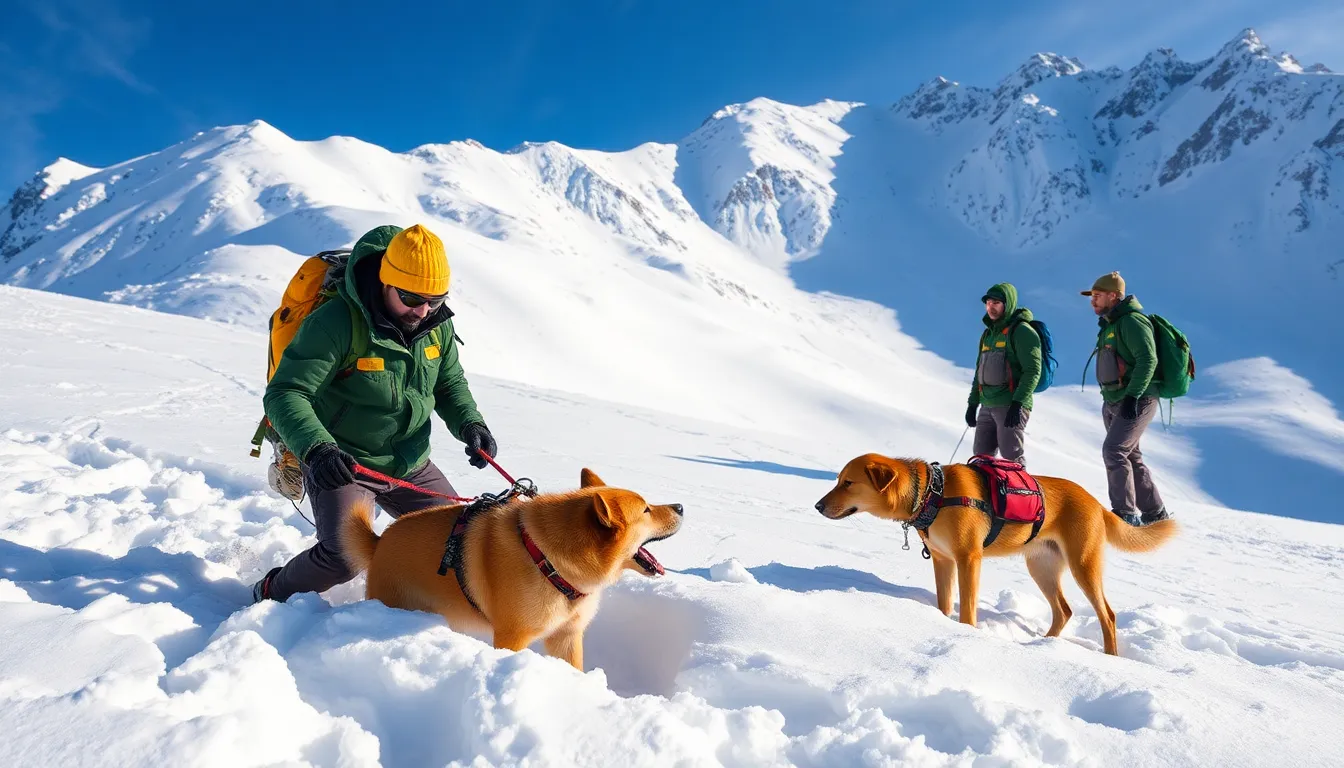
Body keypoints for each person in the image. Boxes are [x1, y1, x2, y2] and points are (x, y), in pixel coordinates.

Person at [251, 223, 498, 602]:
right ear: (386, 281)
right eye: (411, 298)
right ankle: (271, 590)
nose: (423, 310)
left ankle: (416, 602)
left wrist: (470, 423)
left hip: (410, 462)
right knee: (344, 556)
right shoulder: (336, 322)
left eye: (435, 299)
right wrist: (319, 450)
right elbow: (286, 393)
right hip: (345, 462)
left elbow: (449, 383)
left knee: (461, 542)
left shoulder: (435, 325)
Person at [1083, 271, 1169, 526]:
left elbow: (1148, 359)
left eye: (1098, 296)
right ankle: (1155, 513)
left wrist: (1132, 396)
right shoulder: (1110, 324)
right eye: (1092, 296)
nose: (1093, 301)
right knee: (1131, 455)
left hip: (1137, 399)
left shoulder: (1132, 322)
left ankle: (1126, 515)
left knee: (1114, 450)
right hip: (1114, 400)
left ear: (1114, 296)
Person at [965, 283, 1042, 464]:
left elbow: (1033, 370)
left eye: (996, 303)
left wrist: (1018, 403)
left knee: (1011, 457)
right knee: (980, 459)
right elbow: (979, 371)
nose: (991, 307)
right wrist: (972, 404)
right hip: (987, 405)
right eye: (988, 303)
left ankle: (1024, 492)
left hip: (1010, 405)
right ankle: (987, 493)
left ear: (1008, 304)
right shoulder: (988, 334)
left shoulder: (1022, 331)